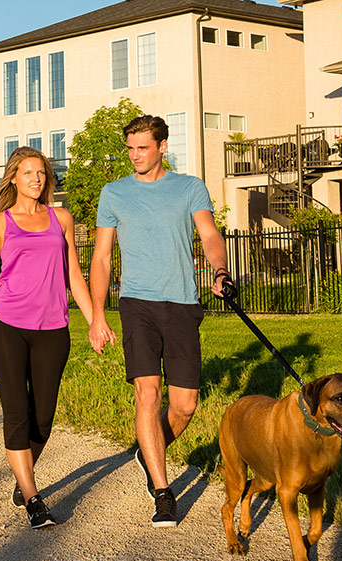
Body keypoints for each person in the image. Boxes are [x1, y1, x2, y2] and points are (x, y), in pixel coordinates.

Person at [88, 115, 231, 528]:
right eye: (130, 148)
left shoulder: (188, 187)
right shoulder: (113, 193)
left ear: (163, 146)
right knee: (147, 396)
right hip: (137, 304)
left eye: (143, 148)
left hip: (182, 303)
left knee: (184, 405)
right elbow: (100, 258)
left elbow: (208, 235)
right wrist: (98, 315)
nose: (135, 156)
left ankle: (148, 451)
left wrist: (219, 270)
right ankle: (163, 491)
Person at [0, 146, 108, 529]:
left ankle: (22, 473)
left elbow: (74, 277)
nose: (36, 179)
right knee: (17, 413)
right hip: (7, 328)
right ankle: (32, 497)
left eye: (41, 173)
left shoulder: (61, 218)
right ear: (14, 177)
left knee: (42, 419)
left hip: (52, 330)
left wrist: (96, 320)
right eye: (28, 172)